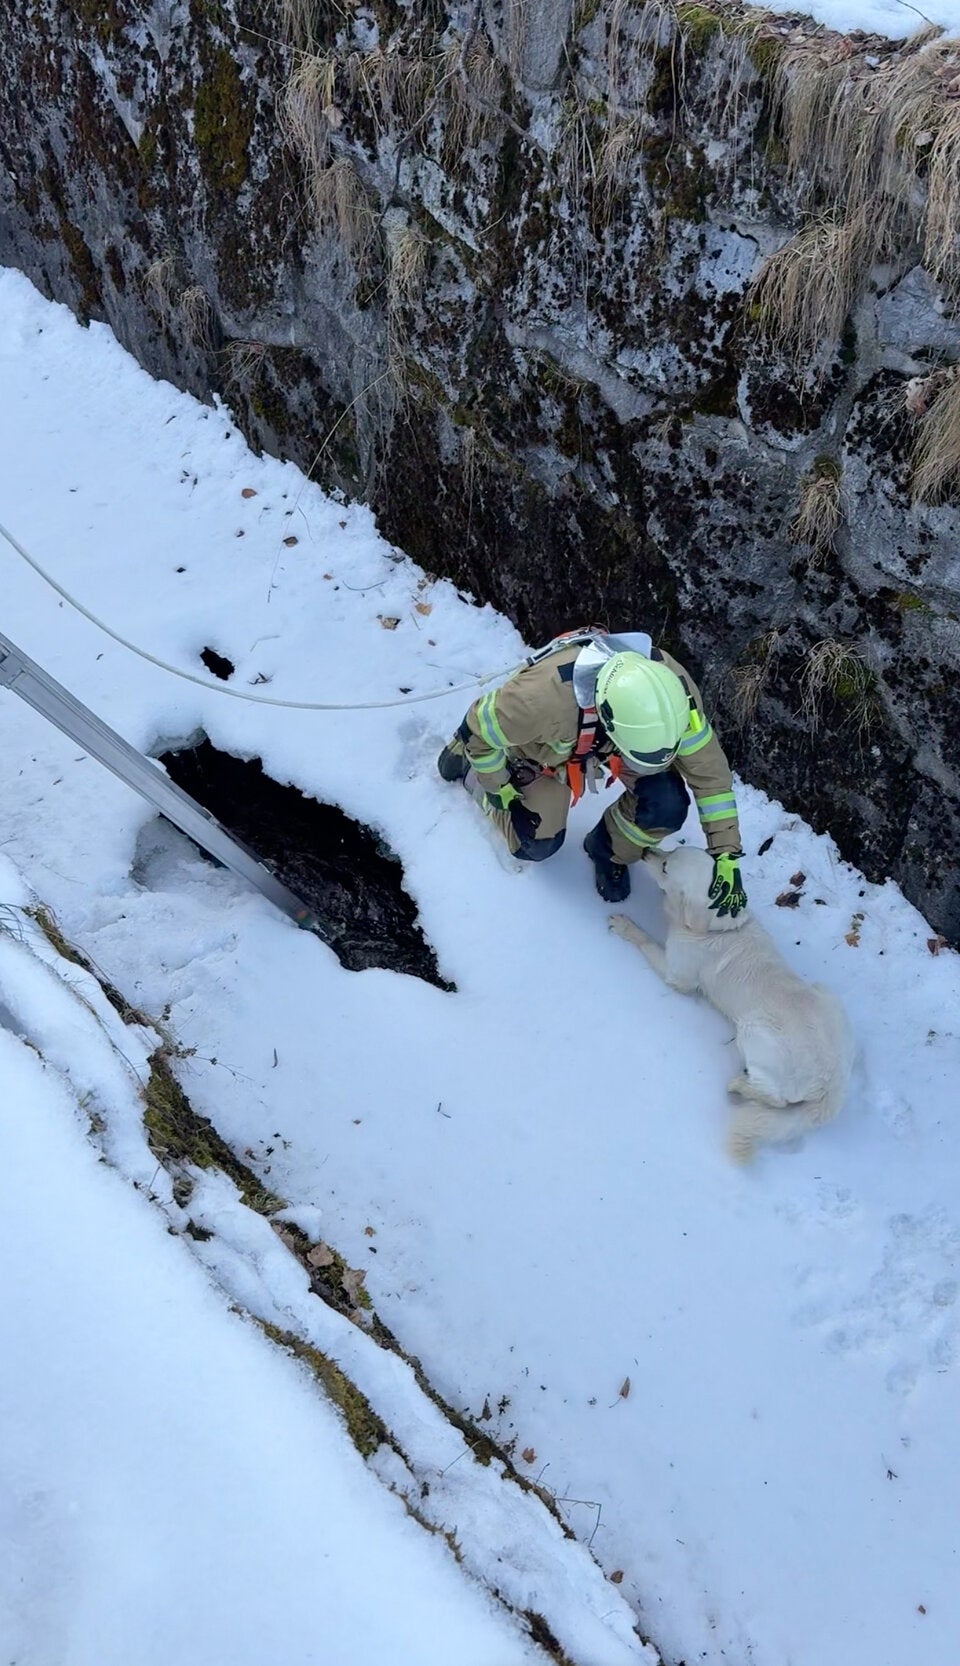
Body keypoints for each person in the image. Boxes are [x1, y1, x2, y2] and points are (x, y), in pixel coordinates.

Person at [437, 629, 747, 915]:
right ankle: (469, 768)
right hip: (539, 755)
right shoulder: (539, 700)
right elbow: (478, 726)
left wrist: (725, 852)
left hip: (598, 746)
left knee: (666, 805)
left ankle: (607, 848)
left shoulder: (673, 697)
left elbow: (711, 777)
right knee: (534, 842)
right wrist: (497, 785)